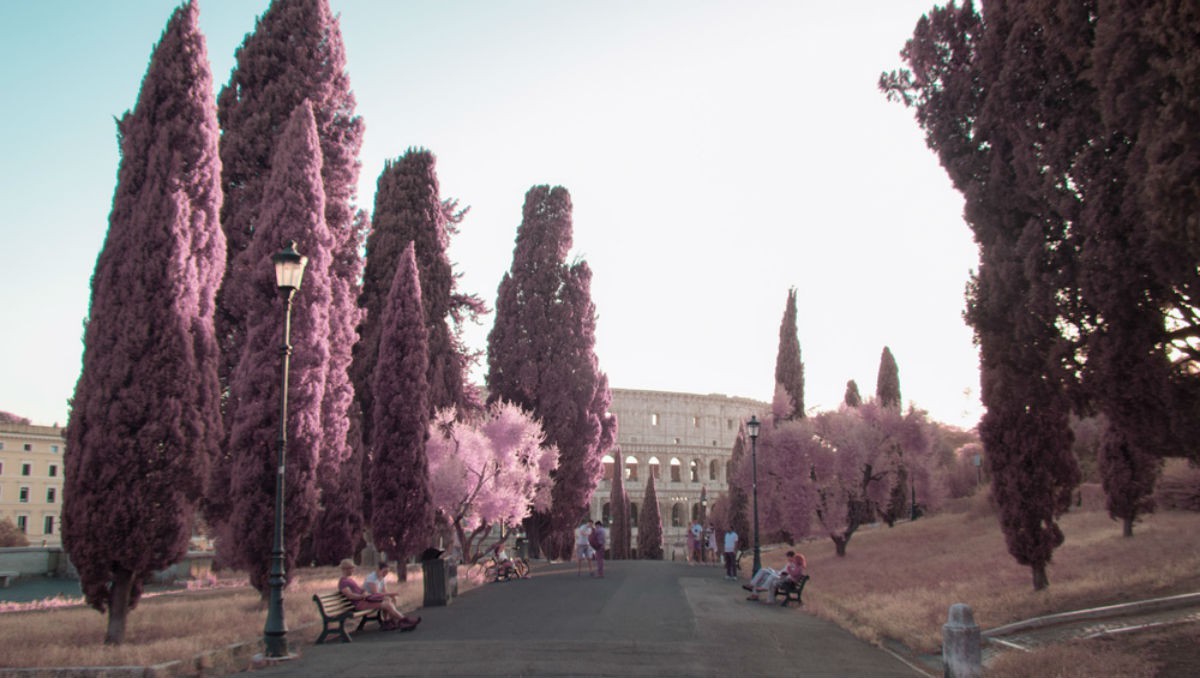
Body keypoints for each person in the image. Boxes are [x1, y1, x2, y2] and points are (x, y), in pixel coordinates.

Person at [338, 558, 420, 631]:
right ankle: (404, 620)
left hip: (365, 599)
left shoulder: (349, 580)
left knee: (387, 599)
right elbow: (350, 595)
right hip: (360, 603)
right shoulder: (343, 582)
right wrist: (362, 596)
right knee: (387, 605)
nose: (353, 570)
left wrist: (364, 592)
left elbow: (359, 590)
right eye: (352, 568)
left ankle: (391, 622)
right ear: (346, 569)